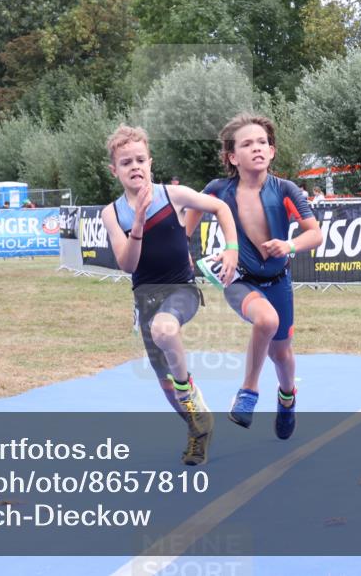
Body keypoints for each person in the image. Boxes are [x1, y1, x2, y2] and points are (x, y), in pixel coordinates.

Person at [102, 125, 240, 466]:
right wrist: (137, 222)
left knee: (164, 331)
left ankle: (186, 387)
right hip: (145, 298)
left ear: (150, 162)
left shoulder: (173, 195)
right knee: (166, 383)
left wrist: (231, 249)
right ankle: (198, 427)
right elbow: (128, 264)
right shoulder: (112, 213)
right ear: (114, 170)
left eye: (140, 160)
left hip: (182, 290)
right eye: (126, 163)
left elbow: (221, 208)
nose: (135, 167)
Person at [185, 114, 323, 441]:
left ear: (272, 151)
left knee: (281, 354)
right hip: (239, 280)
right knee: (266, 320)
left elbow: (315, 234)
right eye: (247, 144)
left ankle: (287, 398)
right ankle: (248, 391)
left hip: (278, 282)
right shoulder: (217, 190)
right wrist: (184, 257)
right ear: (233, 157)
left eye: (262, 142)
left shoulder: (286, 189)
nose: (257, 148)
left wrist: (289, 245)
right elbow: (184, 224)